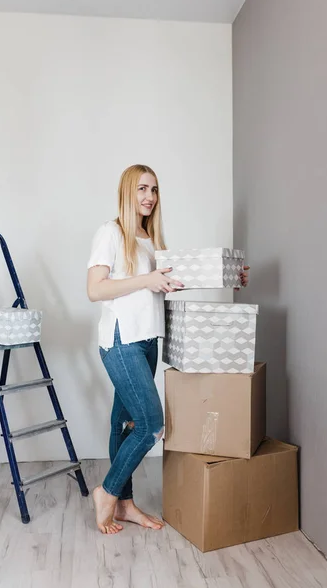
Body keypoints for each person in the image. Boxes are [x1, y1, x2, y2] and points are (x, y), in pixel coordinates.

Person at [87, 164, 249, 534]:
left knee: (125, 425)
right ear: (127, 192)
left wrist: (230, 279)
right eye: (142, 188)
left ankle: (125, 506)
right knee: (151, 426)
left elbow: (165, 285)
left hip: (147, 342)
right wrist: (146, 279)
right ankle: (108, 492)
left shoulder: (150, 239)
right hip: (120, 341)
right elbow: (95, 289)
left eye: (155, 190)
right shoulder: (110, 233)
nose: (149, 197)